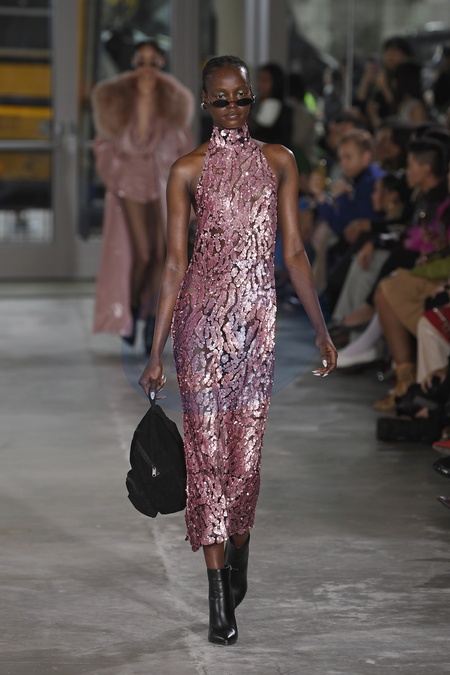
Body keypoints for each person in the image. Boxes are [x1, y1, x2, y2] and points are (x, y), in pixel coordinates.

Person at [138, 55, 337, 646]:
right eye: (221, 99)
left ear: (252, 99)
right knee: (205, 459)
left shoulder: (279, 161)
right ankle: (217, 597)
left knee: (244, 462)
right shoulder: (186, 170)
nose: (232, 108)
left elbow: (294, 252)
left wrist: (322, 330)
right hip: (199, 327)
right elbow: (174, 264)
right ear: (204, 101)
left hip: (256, 329)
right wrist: (155, 350)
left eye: (241, 98)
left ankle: (238, 554)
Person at [91, 39, 195, 352]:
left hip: (162, 181)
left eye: (153, 61)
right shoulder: (116, 97)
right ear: (134, 64)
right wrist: (115, 172)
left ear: (161, 63)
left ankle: (150, 317)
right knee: (145, 252)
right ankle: (134, 305)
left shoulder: (174, 99)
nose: (147, 68)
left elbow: (185, 147)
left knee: (162, 252)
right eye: (141, 61)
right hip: (129, 180)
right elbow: (103, 143)